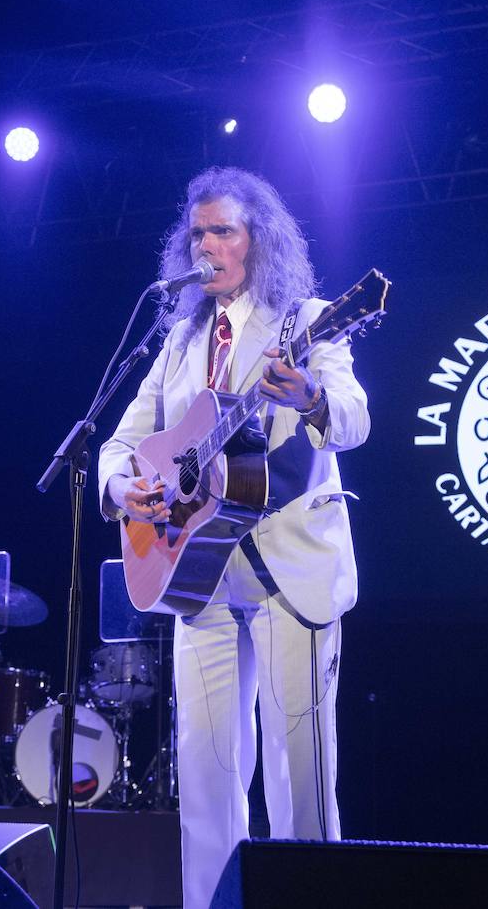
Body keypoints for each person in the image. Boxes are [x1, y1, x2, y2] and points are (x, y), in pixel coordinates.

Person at [98, 168, 370, 909]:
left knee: (299, 775)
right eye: (198, 233)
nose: (207, 245)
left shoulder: (308, 320)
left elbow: (353, 418)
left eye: (224, 231)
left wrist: (310, 397)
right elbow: (121, 443)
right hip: (198, 571)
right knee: (206, 772)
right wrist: (123, 488)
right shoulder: (181, 338)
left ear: (260, 240)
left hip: (291, 567)